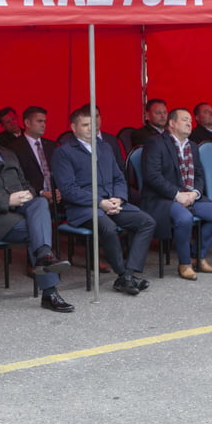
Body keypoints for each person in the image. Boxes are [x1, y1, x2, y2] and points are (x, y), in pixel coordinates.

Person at [0, 113, 73, 312]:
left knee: (40, 203)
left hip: (20, 209)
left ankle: (44, 256)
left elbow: (26, 183)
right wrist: (7, 200)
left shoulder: (7, 153)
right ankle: (49, 290)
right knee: (37, 231)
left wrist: (29, 193)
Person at [51, 105, 155, 295]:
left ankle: (129, 274)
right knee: (108, 227)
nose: (91, 128)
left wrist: (119, 198)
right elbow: (68, 190)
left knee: (146, 222)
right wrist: (100, 202)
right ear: (73, 128)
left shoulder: (105, 147)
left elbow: (119, 177)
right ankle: (123, 275)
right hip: (84, 208)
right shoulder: (64, 152)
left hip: (112, 203)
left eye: (93, 123)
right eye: (85, 125)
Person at [140, 108, 212, 280]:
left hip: (189, 195)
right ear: (172, 124)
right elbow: (152, 176)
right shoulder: (155, 143)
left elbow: (199, 175)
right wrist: (177, 195)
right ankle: (185, 263)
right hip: (163, 198)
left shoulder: (192, 146)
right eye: (184, 120)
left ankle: (197, 256)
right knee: (184, 218)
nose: (189, 123)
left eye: (190, 121)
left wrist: (195, 193)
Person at [10, 106, 61, 207]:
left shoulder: (51, 145)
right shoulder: (14, 148)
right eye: (39, 121)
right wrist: (40, 192)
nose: (43, 125)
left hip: (58, 198)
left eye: (44, 121)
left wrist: (59, 191)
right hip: (32, 200)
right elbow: (17, 178)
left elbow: (60, 171)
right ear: (27, 123)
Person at [58, 105, 126, 170]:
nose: (95, 120)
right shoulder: (70, 145)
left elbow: (120, 167)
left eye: (97, 116)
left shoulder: (112, 140)